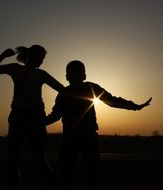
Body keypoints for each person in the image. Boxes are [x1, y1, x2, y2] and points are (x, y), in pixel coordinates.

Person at [46, 60, 152, 190]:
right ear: (83, 76)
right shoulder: (85, 88)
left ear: (67, 77)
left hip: (73, 139)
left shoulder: (64, 93)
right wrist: (135, 106)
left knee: (67, 177)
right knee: (89, 177)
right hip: (86, 138)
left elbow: (55, 115)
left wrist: (39, 122)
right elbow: (112, 101)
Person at [0, 45, 64, 190]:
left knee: (39, 155)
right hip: (18, 115)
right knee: (13, 155)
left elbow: (62, 89)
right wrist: (3, 54)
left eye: (42, 59)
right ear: (29, 56)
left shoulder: (41, 74)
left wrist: (59, 108)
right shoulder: (15, 69)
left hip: (36, 116)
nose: (41, 62)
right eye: (39, 58)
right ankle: (13, 183)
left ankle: (49, 183)